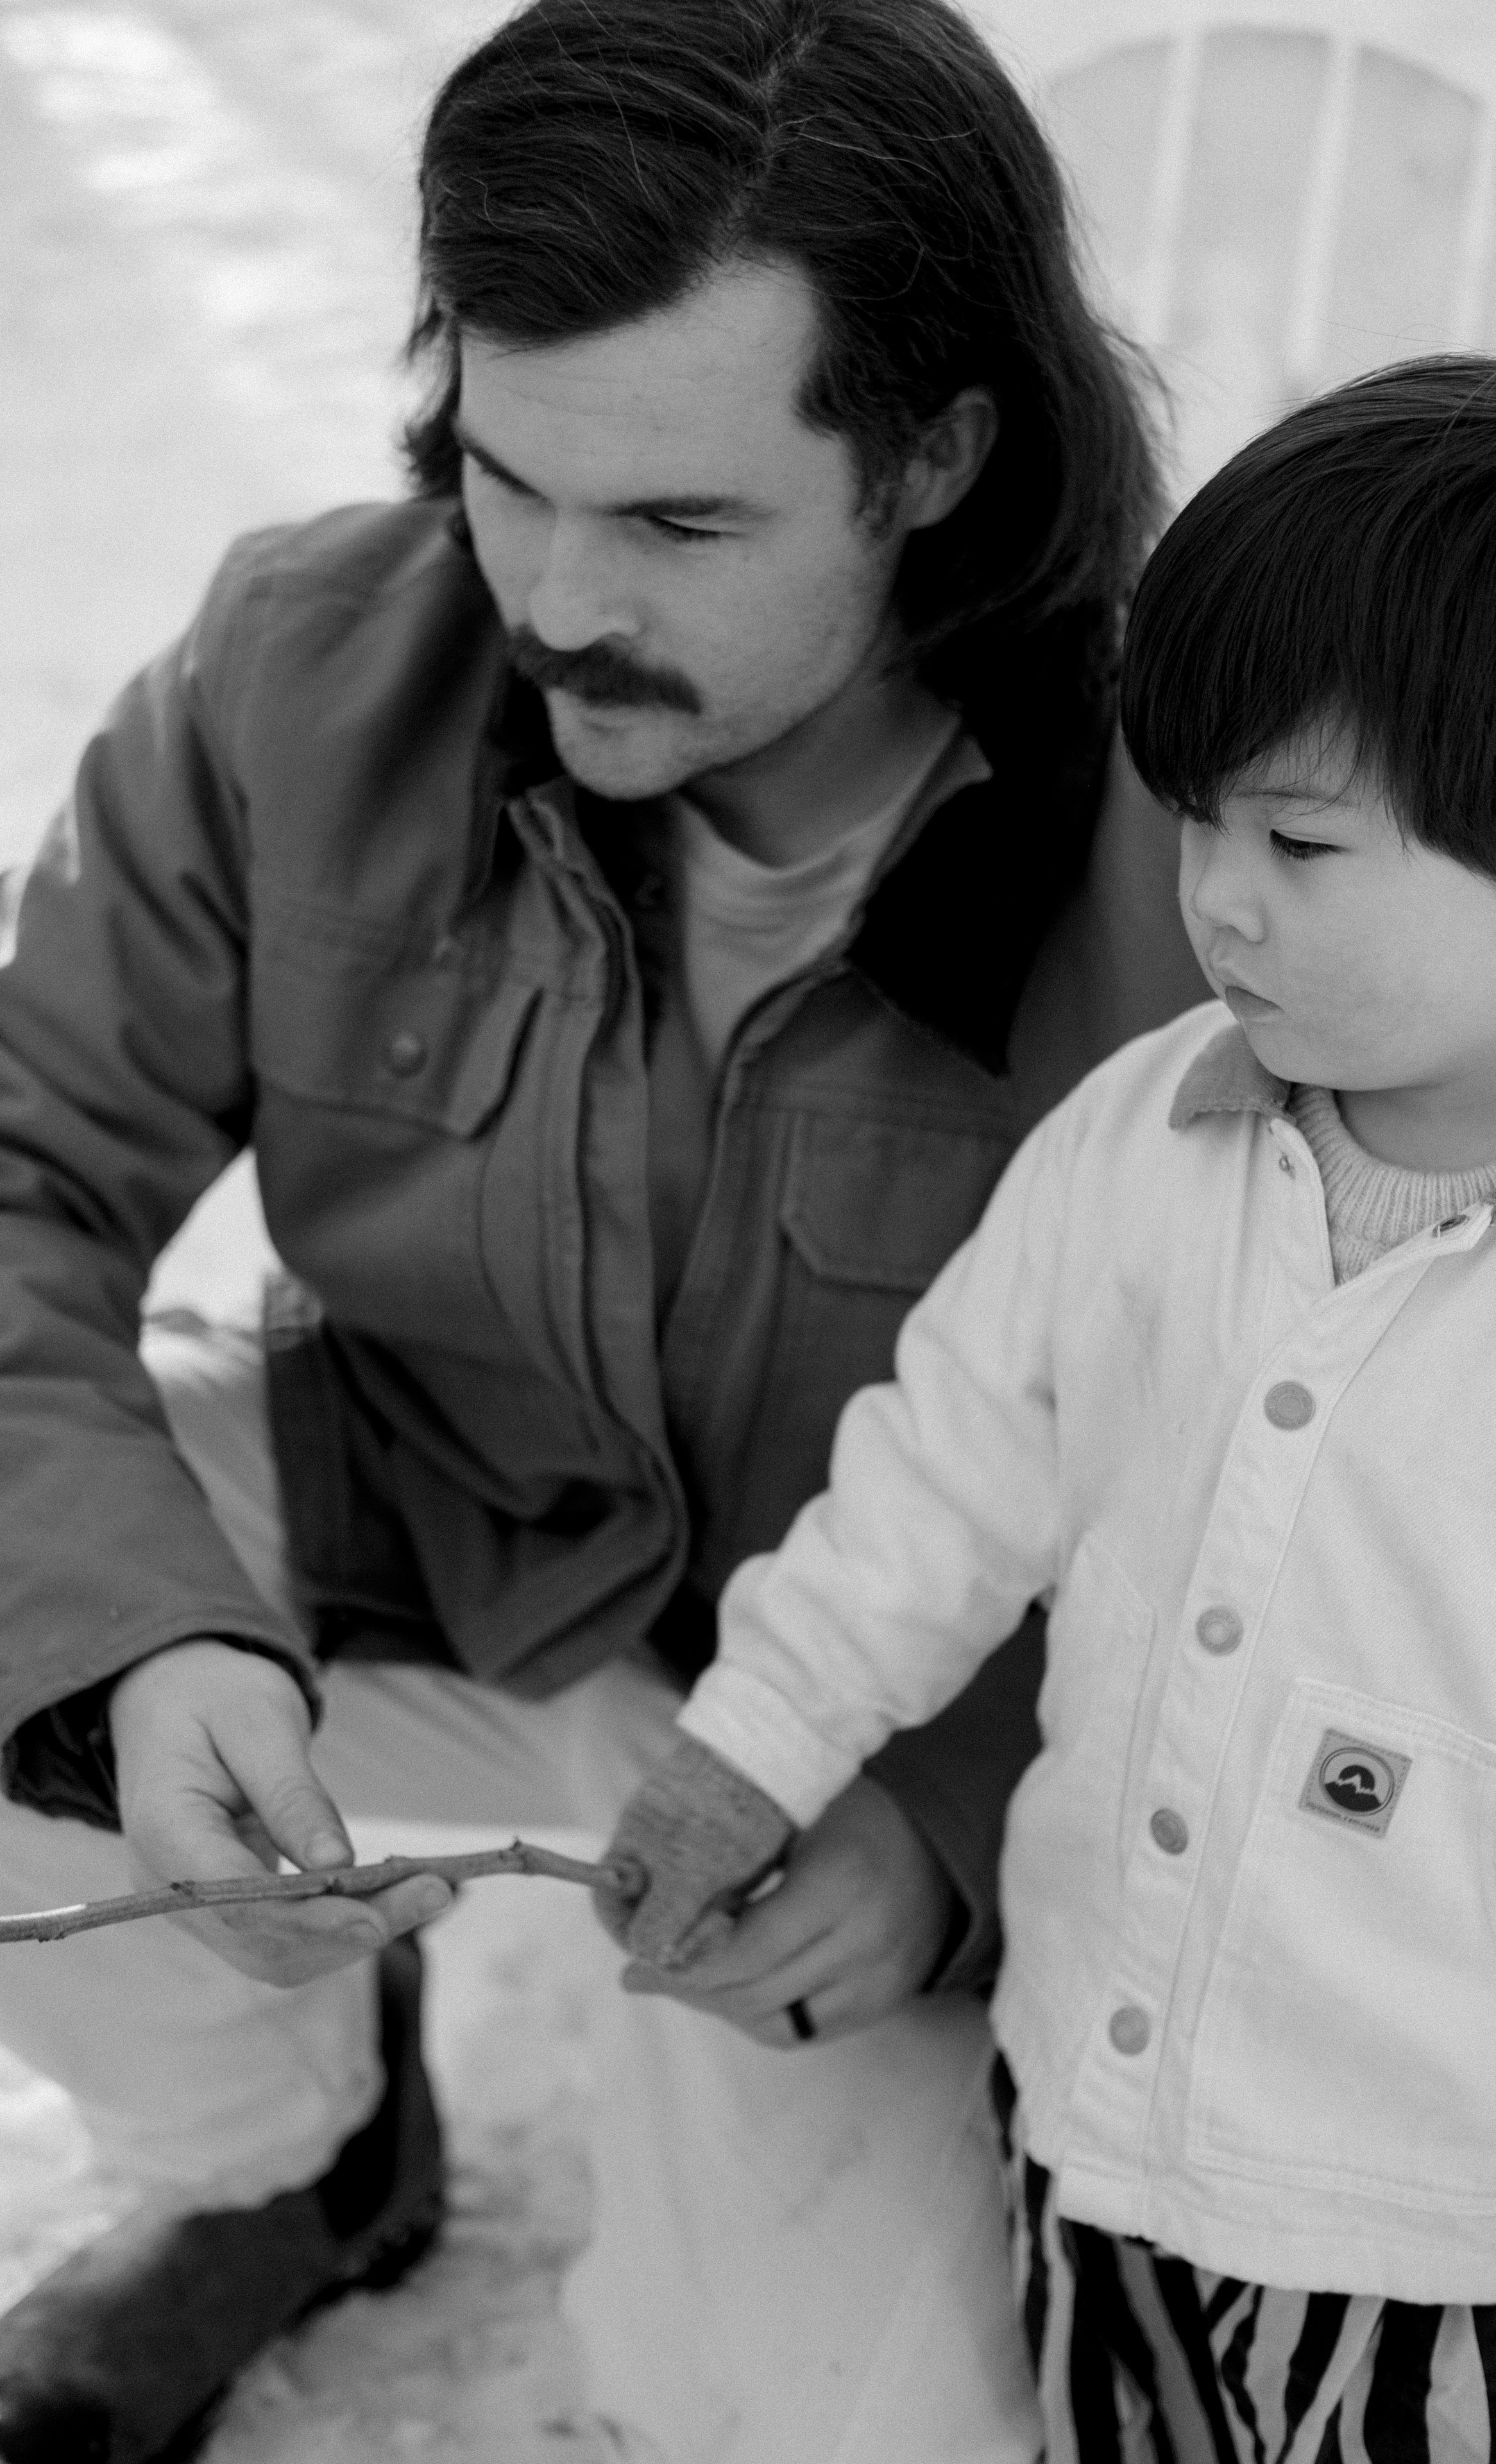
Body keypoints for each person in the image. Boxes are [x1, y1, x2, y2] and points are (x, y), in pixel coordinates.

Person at [0, 2, 1209, 2457]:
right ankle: (278, 2172)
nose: (550, 599)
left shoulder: (1214, 857)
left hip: (885, 1730)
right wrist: (141, 1649)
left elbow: (1333, 1477)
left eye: (677, 525)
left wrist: (955, 1832)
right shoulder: (299, 668)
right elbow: (22, 1176)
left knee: (839, 2421)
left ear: (938, 457)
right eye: (503, 474)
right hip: (419, 1535)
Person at [600, 354, 1496, 2461]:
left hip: (1461, 2222)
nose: (1220, 898)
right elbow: (943, 1473)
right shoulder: (1145, 1137)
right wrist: (753, 1743)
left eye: (1303, 841)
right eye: (1197, 822)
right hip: (1097, 2102)